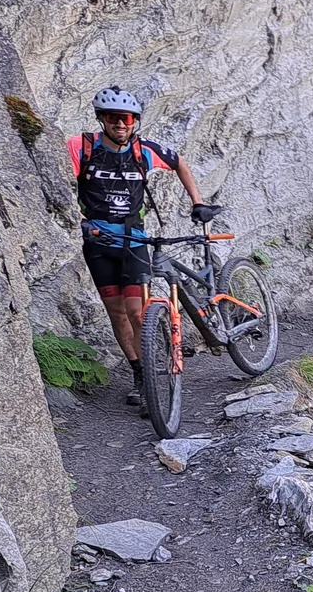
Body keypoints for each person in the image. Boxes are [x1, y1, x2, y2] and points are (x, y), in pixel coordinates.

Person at [67, 87, 216, 405]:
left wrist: (198, 202)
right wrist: (80, 220)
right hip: (97, 242)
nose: (121, 124)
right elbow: (62, 186)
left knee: (137, 313)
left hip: (134, 239)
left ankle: (151, 381)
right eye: (113, 117)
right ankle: (139, 374)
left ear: (135, 121)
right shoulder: (81, 147)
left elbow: (179, 163)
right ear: (102, 119)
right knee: (117, 314)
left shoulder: (144, 150)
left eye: (127, 118)